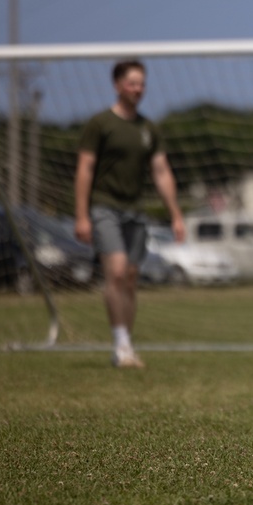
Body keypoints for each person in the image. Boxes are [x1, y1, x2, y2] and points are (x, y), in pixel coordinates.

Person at [74, 60, 185, 369]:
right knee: (118, 272)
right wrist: (81, 215)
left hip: (135, 210)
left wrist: (175, 214)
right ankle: (121, 344)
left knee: (132, 278)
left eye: (142, 84)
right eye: (132, 83)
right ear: (117, 85)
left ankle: (126, 343)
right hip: (104, 205)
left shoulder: (148, 129)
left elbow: (161, 171)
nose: (138, 89)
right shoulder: (101, 124)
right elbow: (85, 168)